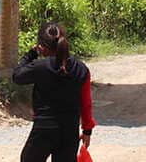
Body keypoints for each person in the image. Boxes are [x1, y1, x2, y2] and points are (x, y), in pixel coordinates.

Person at [13, 22, 95, 162]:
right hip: (69, 132)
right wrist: (87, 130)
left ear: (41, 47)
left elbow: (17, 76)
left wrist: (31, 54)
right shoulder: (81, 69)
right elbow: (85, 103)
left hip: (44, 129)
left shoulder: (40, 67)